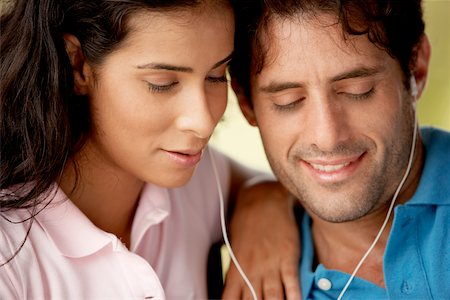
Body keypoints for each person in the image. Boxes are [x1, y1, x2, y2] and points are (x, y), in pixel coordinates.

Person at [0, 0, 302, 299]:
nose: (203, 121)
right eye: (163, 82)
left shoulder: (198, 181)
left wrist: (262, 205)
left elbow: (265, 183)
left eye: (215, 75)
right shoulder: (9, 254)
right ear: (78, 64)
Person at [230, 0, 450, 298]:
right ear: (247, 104)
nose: (328, 137)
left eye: (357, 90)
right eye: (288, 101)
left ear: (416, 68)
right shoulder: (254, 282)